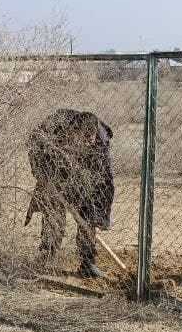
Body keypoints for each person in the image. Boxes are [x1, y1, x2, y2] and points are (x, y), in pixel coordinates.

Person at [25, 109, 115, 279]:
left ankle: (87, 262)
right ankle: (47, 254)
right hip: (55, 173)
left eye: (91, 140)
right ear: (72, 132)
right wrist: (40, 172)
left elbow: (105, 185)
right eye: (83, 139)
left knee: (88, 220)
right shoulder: (56, 126)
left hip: (84, 182)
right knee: (52, 213)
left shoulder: (100, 148)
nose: (88, 144)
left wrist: (98, 221)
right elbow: (34, 140)